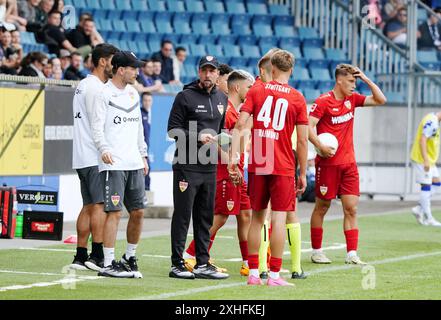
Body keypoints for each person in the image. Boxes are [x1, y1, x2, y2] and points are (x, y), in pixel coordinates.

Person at [230, 49, 309, 286]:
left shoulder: (257, 89)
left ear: (271, 69)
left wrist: (234, 157)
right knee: (278, 218)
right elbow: (303, 140)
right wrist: (303, 172)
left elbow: (241, 124)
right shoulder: (297, 98)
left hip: (259, 161)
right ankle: (274, 275)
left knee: (257, 218)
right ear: (291, 70)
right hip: (283, 164)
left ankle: (254, 273)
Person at [308, 64, 386, 265]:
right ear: (339, 80)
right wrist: (319, 146)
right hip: (327, 164)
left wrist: (366, 79)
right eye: (351, 81)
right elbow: (308, 127)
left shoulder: (353, 100)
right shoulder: (323, 102)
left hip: (349, 165)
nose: (354, 86)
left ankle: (352, 253)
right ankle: (316, 251)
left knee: (351, 209)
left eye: (355, 82)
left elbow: (380, 100)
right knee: (322, 207)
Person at [183, 70, 254, 276]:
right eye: (248, 87)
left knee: (245, 213)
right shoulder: (226, 111)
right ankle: (191, 254)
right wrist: (230, 163)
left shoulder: (236, 111)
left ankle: (248, 262)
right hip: (225, 171)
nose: (251, 92)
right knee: (220, 216)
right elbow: (214, 141)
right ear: (237, 87)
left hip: (236, 169)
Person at [167, 55, 228, 280]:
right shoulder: (184, 96)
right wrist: (197, 137)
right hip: (186, 165)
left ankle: (202, 263)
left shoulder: (222, 98)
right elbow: (172, 130)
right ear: (198, 72)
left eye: (212, 71)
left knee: (205, 218)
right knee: (183, 216)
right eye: (204, 70)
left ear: (218, 74)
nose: (208, 74)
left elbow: (219, 131)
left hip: (209, 168)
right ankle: (177, 264)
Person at [91, 51, 149, 278]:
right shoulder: (103, 93)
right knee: (114, 213)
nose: (137, 71)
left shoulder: (134, 93)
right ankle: (107, 262)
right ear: (121, 69)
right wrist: (103, 148)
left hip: (134, 161)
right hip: (113, 162)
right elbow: (96, 126)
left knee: (138, 212)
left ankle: (130, 256)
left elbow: (138, 128)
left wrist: (143, 154)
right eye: (134, 68)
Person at [70, 43, 119, 271]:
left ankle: (80, 255)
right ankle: (96, 254)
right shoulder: (96, 89)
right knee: (99, 206)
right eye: (112, 60)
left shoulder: (83, 85)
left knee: (88, 205)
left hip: (82, 153)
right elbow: (98, 124)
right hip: (93, 154)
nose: (114, 66)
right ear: (102, 61)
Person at [410, 112, 441, 227]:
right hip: (423, 160)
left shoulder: (432, 118)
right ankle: (429, 218)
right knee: (426, 187)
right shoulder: (433, 122)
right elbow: (423, 139)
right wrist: (426, 160)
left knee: (437, 184)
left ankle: (419, 208)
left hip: (430, 161)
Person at [141, 92, 152, 191]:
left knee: (148, 169)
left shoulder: (149, 114)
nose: (147, 103)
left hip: (146, 149)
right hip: (140, 150)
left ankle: (147, 190)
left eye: (149, 100)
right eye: (145, 100)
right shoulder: (140, 114)